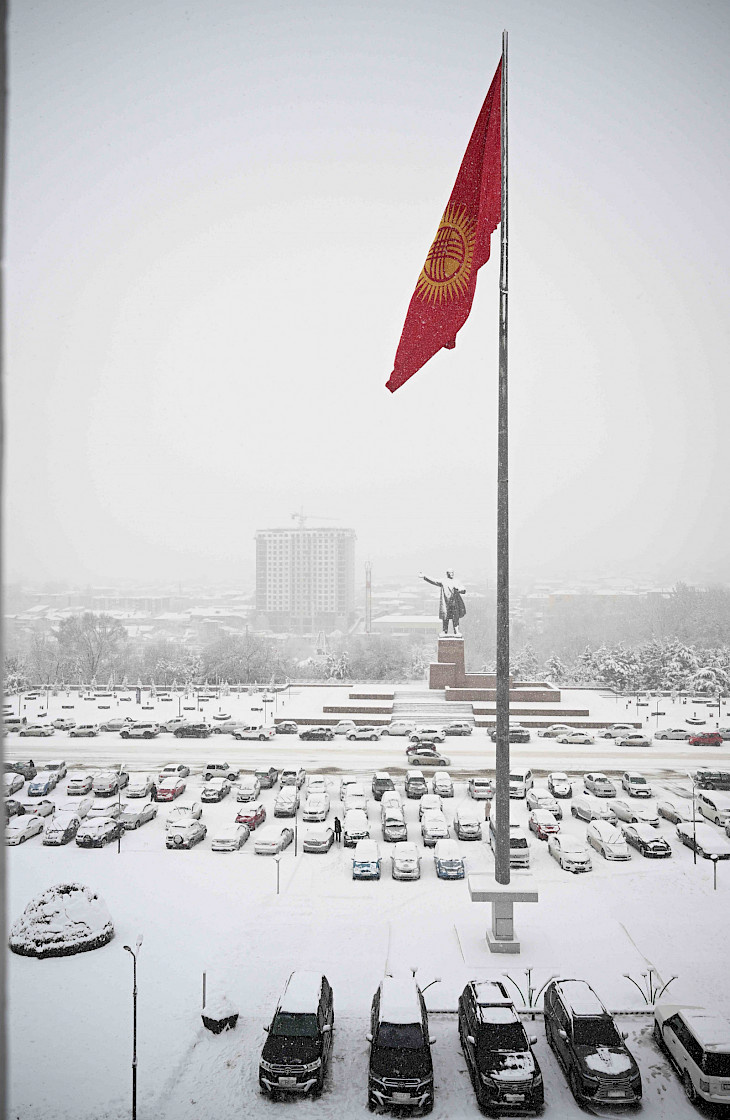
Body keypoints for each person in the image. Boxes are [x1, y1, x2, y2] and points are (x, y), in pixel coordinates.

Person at [419, 569, 466, 636]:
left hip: (455, 603)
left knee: (456, 617)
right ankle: (444, 631)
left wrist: (459, 589)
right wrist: (424, 576)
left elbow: (463, 589)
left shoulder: (456, 581)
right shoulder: (444, 581)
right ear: (447, 574)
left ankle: (456, 631)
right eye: (450, 573)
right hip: (446, 603)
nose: (452, 574)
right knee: (445, 617)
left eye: (452, 573)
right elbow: (434, 581)